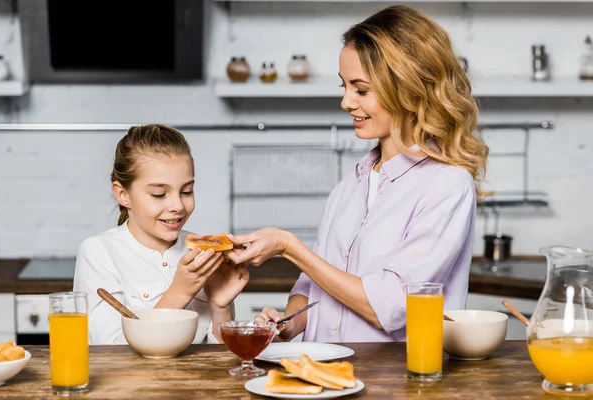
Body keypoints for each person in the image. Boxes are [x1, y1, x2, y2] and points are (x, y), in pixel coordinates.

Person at [226, 5, 489, 343]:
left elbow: (391, 307)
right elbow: (315, 282)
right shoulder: (352, 183)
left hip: (394, 386)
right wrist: (288, 323)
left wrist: (289, 247)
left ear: (408, 90)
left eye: (361, 90)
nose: (346, 102)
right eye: (344, 86)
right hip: (323, 373)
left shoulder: (447, 186)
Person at [74, 124, 249, 345]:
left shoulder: (201, 253)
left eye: (186, 191)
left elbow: (222, 361)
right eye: (159, 194)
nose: (177, 205)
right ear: (122, 194)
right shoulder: (99, 252)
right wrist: (180, 292)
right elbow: (110, 350)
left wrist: (221, 307)